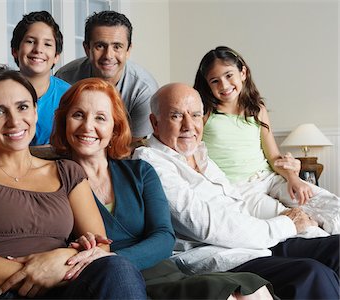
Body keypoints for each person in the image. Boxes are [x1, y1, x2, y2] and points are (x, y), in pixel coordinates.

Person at [48, 77, 274, 300]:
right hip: (115, 284)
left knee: (253, 289)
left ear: (114, 127)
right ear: (64, 121)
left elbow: (164, 237)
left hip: (165, 273)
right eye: (78, 115)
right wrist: (104, 262)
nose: (88, 126)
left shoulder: (140, 171)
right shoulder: (53, 178)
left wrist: (113, 256)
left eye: (100, 118)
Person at [0, 66, 146, 299]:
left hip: (64, 288)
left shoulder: (67, 172)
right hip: (0, 291)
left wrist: (57, 262)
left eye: (23, 107)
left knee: (117, 269)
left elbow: (100, 247)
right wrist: (43, 271)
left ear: (35, 111)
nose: (14, 121)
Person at [133, 82, 340, 299]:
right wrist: (287, 224)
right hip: (221, 257)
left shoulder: (201, 154)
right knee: (311, 274)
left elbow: (237, 205)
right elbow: (207, 226)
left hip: (255, 244)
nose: (189, 125)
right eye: (176, 116)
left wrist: (293, 220)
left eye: (195, 115)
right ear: (154, 123)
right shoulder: (150, 163)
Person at [193, 46, 340, 234]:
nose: (224, 85)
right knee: (296, 222)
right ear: (207, 85)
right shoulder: (205, 113)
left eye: (229, 75)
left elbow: (273, 157)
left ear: (243, 72)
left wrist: (293, 178)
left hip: (269, 178)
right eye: (215, 81)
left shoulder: (257, 109)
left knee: (330, 206)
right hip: (241, 189)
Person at [0, 11, 70, 146]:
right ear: (15, 50)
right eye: (30, 41)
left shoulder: (69, 96)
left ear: (56, 55)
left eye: (47, 44)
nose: (38, 49)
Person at [55, 10, 158, 141]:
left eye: (117, 47)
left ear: (128, 50)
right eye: (100, 46)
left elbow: (134, 147)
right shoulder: (65, 78)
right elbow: (59, 132)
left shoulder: (144, 90)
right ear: (87, 49)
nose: (108, 55)